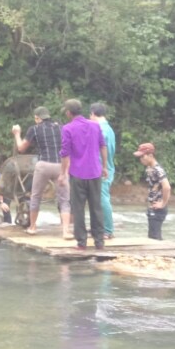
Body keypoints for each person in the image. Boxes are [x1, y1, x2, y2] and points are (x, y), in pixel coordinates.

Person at [12, 107, 72, 237]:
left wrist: (17, 133)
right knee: (64, 199)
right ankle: (66, 231)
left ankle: (33, 227)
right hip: (60, 165)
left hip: (43, 165)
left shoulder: (34, 129)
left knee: (36, 197)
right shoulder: (61, 127)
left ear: (37, 118)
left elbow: (21, 148)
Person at [59, 99, 109, 250]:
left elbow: (65, 154)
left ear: (68, 112)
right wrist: (104, 167)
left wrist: (62, 174)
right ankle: (99, 242)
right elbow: (103, 146)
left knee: (78, 208)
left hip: (78, 174)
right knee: (96, 207)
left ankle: (82, 243)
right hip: (95, 172)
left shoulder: (68, 128)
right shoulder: (95, 125)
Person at [133, 143, 171, 240]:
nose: (141, 159)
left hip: (158, 208)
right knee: (152, 235)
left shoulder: (158, 169)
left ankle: (160, 254)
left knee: (155, 236)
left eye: (142, 156)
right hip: (152, 206)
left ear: (150, 155)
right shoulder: (149, 169)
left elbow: (167, 187)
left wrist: (163, 203)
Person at [91, 102, 117, 239]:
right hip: (107, 167)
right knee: (98, 198)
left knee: (102, 198)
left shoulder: (99, 129)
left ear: (93, 113)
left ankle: (107, 230)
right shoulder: (109, 129)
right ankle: (100, 227)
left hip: (101, 168)